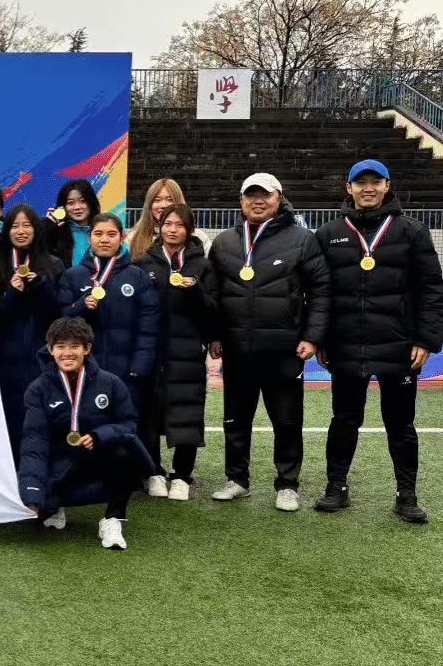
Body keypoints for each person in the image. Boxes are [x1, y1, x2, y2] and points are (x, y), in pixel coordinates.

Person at [313, 160, 443, 522]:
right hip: (345, 344)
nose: (368, 188)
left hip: (398, 346)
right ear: (349, 188)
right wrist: (320, 337)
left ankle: (407, 495)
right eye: (360, 182)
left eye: (375, 181)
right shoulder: (329, 234)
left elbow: (432, 290)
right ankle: (336, 487)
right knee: (344, 419)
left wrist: (426, 339)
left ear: (387, 186)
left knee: (400, 424)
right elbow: (319, 292)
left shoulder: (413, 231)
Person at [202, 173, 330, 511]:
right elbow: (213, 295)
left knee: (287, 422)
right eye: (251, 195)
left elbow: (320, 292)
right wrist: (214, 334)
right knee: (235, 420)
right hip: (237, 349)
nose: (258, 201)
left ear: (279, 197)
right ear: (241, 200)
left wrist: (312, 336)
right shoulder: (225, 242)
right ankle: (237, 480)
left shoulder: (302, 239)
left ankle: (287, 485)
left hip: (284, 350)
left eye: (265, 194)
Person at [18, 317, 152, 550]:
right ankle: (55, 505)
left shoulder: (110, 383)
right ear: (50, 350)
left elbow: (129, 424)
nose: (67, 353)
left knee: (127, 454)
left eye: (74, 346)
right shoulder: (38, 389)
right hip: (61, 463)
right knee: (41, 508)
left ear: (87, 349)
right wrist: (32, 495)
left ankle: (113, 518)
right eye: (60, 346)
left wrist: (101, 435)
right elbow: (34, 443)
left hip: (98, 458)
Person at [55, 214, 159, 442]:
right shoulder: (73, 276)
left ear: (122, 237)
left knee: (125, 421)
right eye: (98, 234)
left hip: (126, 367)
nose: (104, 240)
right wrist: (81, 306)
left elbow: (149, 326)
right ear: (89, 238)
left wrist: (140, 365)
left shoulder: (137, 276)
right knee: (86, 421)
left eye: (111, 234)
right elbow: (60, 319)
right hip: (85, 366)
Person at [133, 204, 212, 499]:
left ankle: (182, 476)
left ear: (189, 230)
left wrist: (197, 291)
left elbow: (215, 312)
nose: (173, 230)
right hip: (152, 351)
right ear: (159, 226)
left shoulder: (202, 266)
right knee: (149, 413)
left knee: (187, 411)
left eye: (180, 225)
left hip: (188, 351)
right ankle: (154, 471)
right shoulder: (143, 264)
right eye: (168, 224)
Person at [0, 204, 63, 461]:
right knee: (9, 415)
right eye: (15, 226)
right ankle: (12, 469)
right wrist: (12, 293)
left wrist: (41, 286)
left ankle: (40, 470)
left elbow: (59, 312)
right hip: (6, 355)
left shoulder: (53, 264)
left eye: (27, 225)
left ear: (36, 229)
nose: (21, 231)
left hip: (42, 354)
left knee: (40, 414)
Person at [127, 178, 204, 260]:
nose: (163, 205)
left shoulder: (199, 237)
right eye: (157, 200)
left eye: (170, 200)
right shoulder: (133, 238)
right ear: (149, 205)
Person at [46, 179, 101, 267]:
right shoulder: (55, 234)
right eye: (71, 203)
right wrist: (48, 225)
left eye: (83, 201)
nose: (77, 207)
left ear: (91, 203)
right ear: (63, 207)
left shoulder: (102, 231)